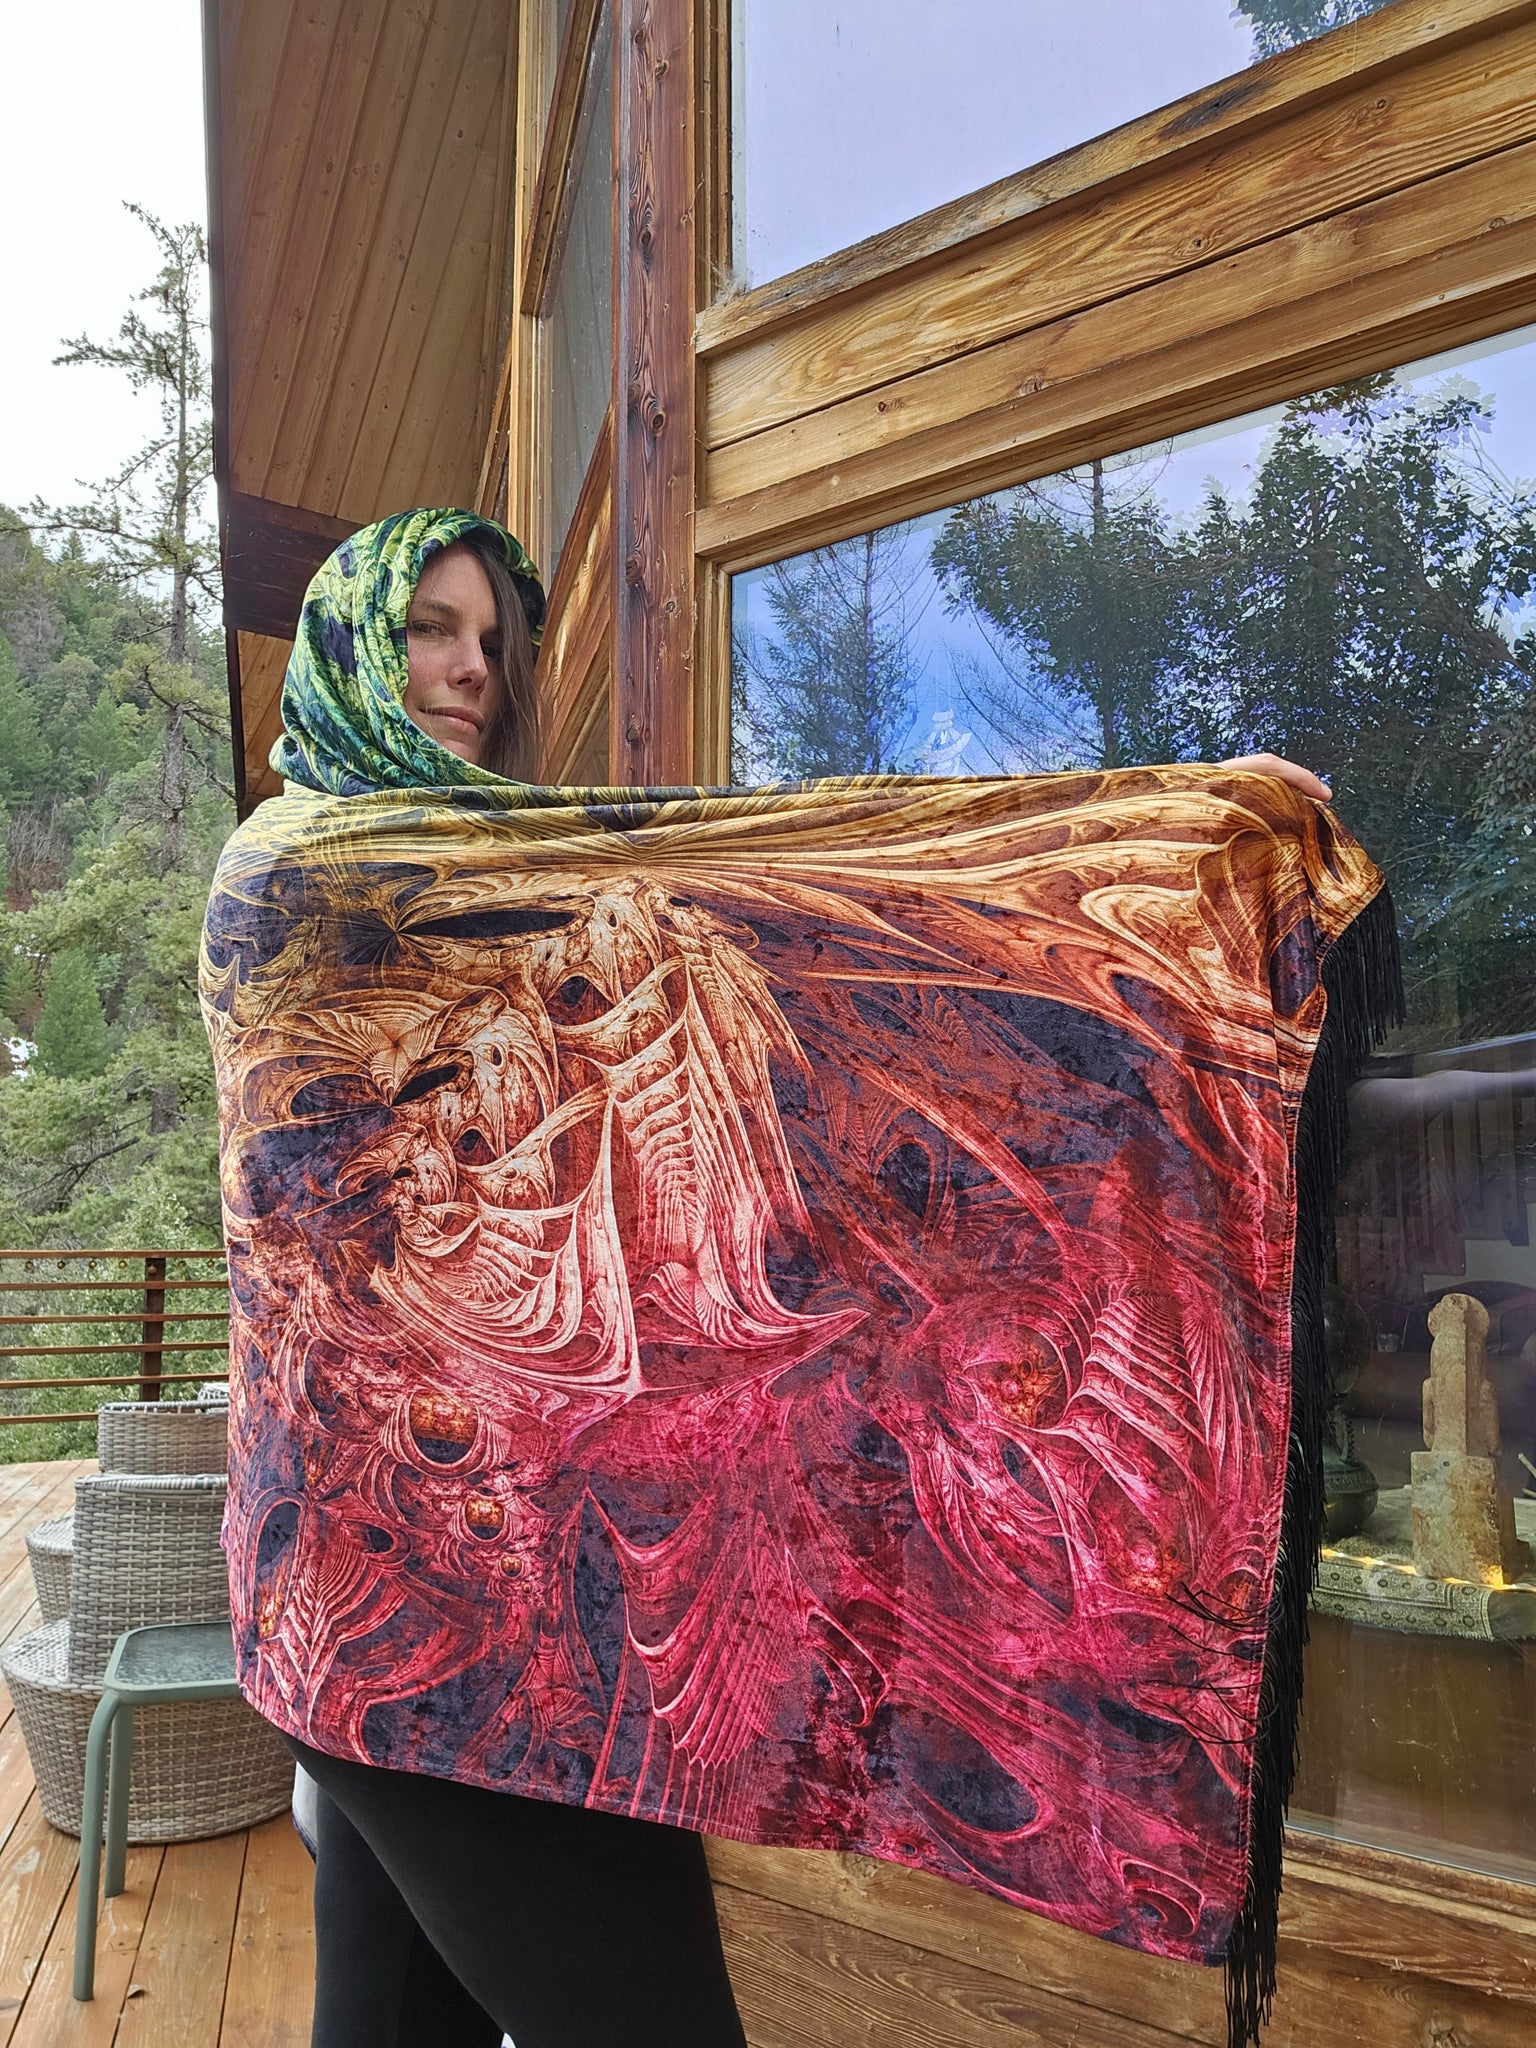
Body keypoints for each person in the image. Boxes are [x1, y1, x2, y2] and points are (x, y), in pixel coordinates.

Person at [249, 507, 1332, 2048]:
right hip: (436, 1622)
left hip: (443, 1596)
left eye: (493, 638)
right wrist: (1142, 850)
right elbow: (756, 868)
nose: (473, 666)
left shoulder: (486, 872)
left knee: (384, 2024)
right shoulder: (304, 867)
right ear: (349, 639)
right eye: (430, 625)